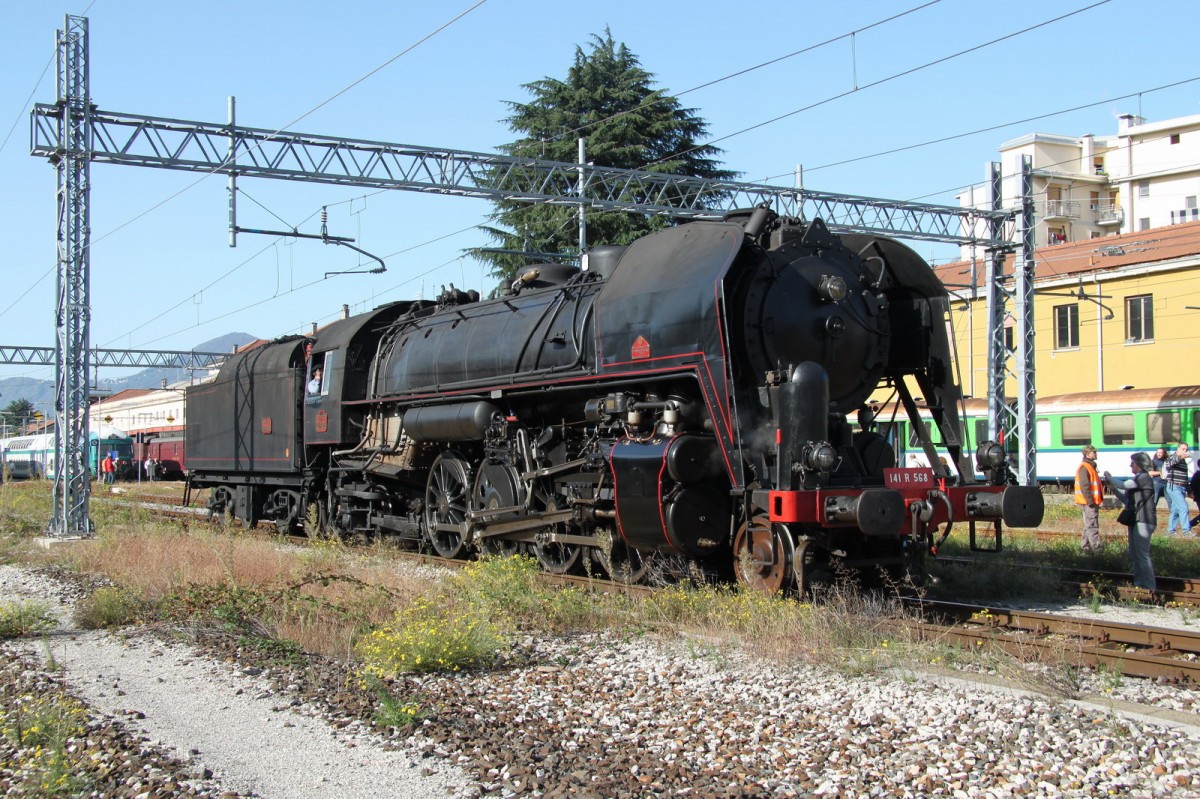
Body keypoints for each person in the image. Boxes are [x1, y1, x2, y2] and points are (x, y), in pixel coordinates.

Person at [1104, 452, 1156, 592]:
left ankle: (1150, 586)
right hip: (1135, 520)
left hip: (1144, 520)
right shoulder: (1138, 479)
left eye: (1132, 463)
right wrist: (1113, 489)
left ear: (1139, 464)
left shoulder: (1143, 477)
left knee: (1142, 555)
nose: (1130, 465)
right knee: (1135, 554)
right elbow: (1126, 500)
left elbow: (1123, 485)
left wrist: (1110, 477)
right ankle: (1139, 584)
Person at [1073, 444, 1103, 553]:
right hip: (1088, 502)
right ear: (1088, 454)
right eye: (1094, 452)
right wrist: (1090, 502)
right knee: (1092, 526)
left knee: (1088, 525)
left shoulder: (1090, 466)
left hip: (1090, 501)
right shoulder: (1085, 467)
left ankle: (1085, 548)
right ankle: (1097, 550)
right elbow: (1084, 486)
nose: (1096, 453)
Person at [1163, 443, 1192, 535]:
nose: (1185, 451)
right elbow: (1169, 464)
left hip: (1182, 487)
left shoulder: (1183, 462)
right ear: (1178, 449)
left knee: (1175, 510)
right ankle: (1186, 531)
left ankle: (1170, 531)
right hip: (1174, 486)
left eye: (1186, 449)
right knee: (1183, 508)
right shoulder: (1172, 457)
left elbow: (1185, 477)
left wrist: (1189, 491)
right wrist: (1181, 457)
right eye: (1183, 449)